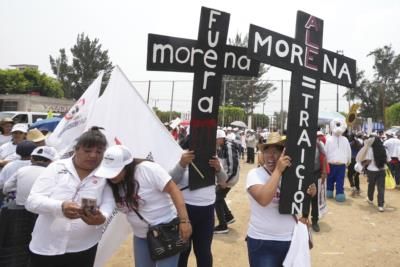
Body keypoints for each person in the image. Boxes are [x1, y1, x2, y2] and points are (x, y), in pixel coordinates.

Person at [25, 127, 115, 267]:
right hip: (46, 246)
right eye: (87, 151)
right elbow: (32, 201)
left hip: (84, 248)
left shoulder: (105, 175)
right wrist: (60, 206)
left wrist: (101, 217)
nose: (93, 155)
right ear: (76, 149)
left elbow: (109, 203)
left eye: (99, 152)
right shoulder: (56, 168)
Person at [95, 145, 192, 267]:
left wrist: (184, 220)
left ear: (127, 166)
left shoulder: (147, 170)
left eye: (116, 171)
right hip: (141, 235)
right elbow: (107, 205)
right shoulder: (110, 183)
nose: (112, 176)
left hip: (166, 232)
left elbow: (174, 190)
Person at [246, 132, 315, 267]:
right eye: (267, 152)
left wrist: (309, 194)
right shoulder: (255, 174)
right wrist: (278, 171)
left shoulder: (293, 175)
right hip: (263, 241)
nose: (271, 156)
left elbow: (299, 204)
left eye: (276, 152)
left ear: (283, 154)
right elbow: (264, 199)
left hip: (291, 240)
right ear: (262, 154)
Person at [169, 136, 228, 267]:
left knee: (204, 252)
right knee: (183, 251)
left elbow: (224, 183)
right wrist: (182, 164)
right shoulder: (182, 155)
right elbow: (171, 182)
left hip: (206, 212)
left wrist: (218, 169)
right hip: (185, 211)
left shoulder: (212, 157)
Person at [0, 146, 57, 267]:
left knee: (15, 244)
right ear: (51, 161)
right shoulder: (52, 173)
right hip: (40, 213)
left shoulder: (22, 170)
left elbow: (6, 188)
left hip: (19, 211)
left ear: (32, 158)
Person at [214, 129, 240, 234]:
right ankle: (228, 216)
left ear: (221, 138)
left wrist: (225, 180)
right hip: (226, 177)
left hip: (229, 177)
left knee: (216, 197)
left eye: (216, 139)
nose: (215, 141)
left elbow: (233, 166)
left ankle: (223, 225)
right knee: (219, 197)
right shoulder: (222, 146)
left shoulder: (229, 146)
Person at [363, 136, 388, 212]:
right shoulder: (384, 149)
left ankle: (370, 199)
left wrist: (362, 164)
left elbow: (369, 161)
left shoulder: (370, 149)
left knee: (371, 185)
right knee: (381, 188)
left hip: (371, 171)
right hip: (381, 170)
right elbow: (388, 160)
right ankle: (380, 205)